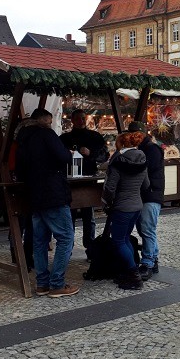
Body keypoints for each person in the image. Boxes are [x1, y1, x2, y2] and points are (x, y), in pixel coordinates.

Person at [15, 108, 78, 298]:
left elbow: (20, 169)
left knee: (39, 241)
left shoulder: (22, 139)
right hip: (53, 193)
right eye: (49, 121)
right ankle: (57, 284)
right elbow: (63, 157)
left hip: (34, 195)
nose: (50, 124)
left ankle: (41, 283)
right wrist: (67, 153)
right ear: (42, 120)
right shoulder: (46, 134)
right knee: (66, 237)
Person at [101, 131, 149, 290]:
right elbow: (146, 185)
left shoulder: (118, 161)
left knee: (119, 240)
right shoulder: (142, 159)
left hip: (122, 207)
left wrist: (106, 203)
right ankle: (130, 271)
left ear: (121, 144)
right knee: (125, 238)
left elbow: (110, 187)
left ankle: (134, 275)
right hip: (137, 205)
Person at [59, 109, 107, 259]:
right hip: (70, 181)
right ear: (72, 120)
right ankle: (68, 247)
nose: (81, 121)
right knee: (69, 217)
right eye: (78, 119)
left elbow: (104, 155)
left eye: (83, 118)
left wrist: (90, 153)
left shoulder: (94, 137)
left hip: (88, 180)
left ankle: (90, 247)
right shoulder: (65, 138)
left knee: (88, 216)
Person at [129, 121, 164, 280]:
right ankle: (152, 259)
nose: (132, 136)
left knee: (147, 229)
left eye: (134, 133)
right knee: (144, 229)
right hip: (144, 194)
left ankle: (148, 262)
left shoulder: (151, 149)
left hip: (150, 194)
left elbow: (147, 170)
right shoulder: (142, 148)